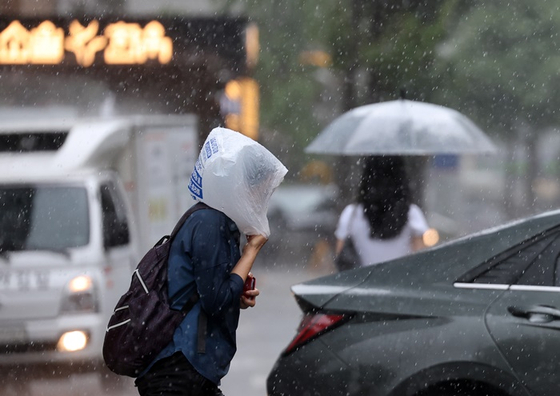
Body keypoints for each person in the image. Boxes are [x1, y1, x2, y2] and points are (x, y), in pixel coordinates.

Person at [135, 128, 287, 396]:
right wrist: (252, 249)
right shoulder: (210, 223)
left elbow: (208, 289)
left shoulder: (215, 221)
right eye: (258, 192)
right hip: (178, 368)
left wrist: (237, 295)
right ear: (239, 187)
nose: (259, 201)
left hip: (190, 371)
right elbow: (215, 300)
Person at [335, 156, 429, 268]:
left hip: (362, 283)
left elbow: (340, 255)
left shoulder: (351, 214)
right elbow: (420, 259)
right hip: (399, 283)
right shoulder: (412, 214)